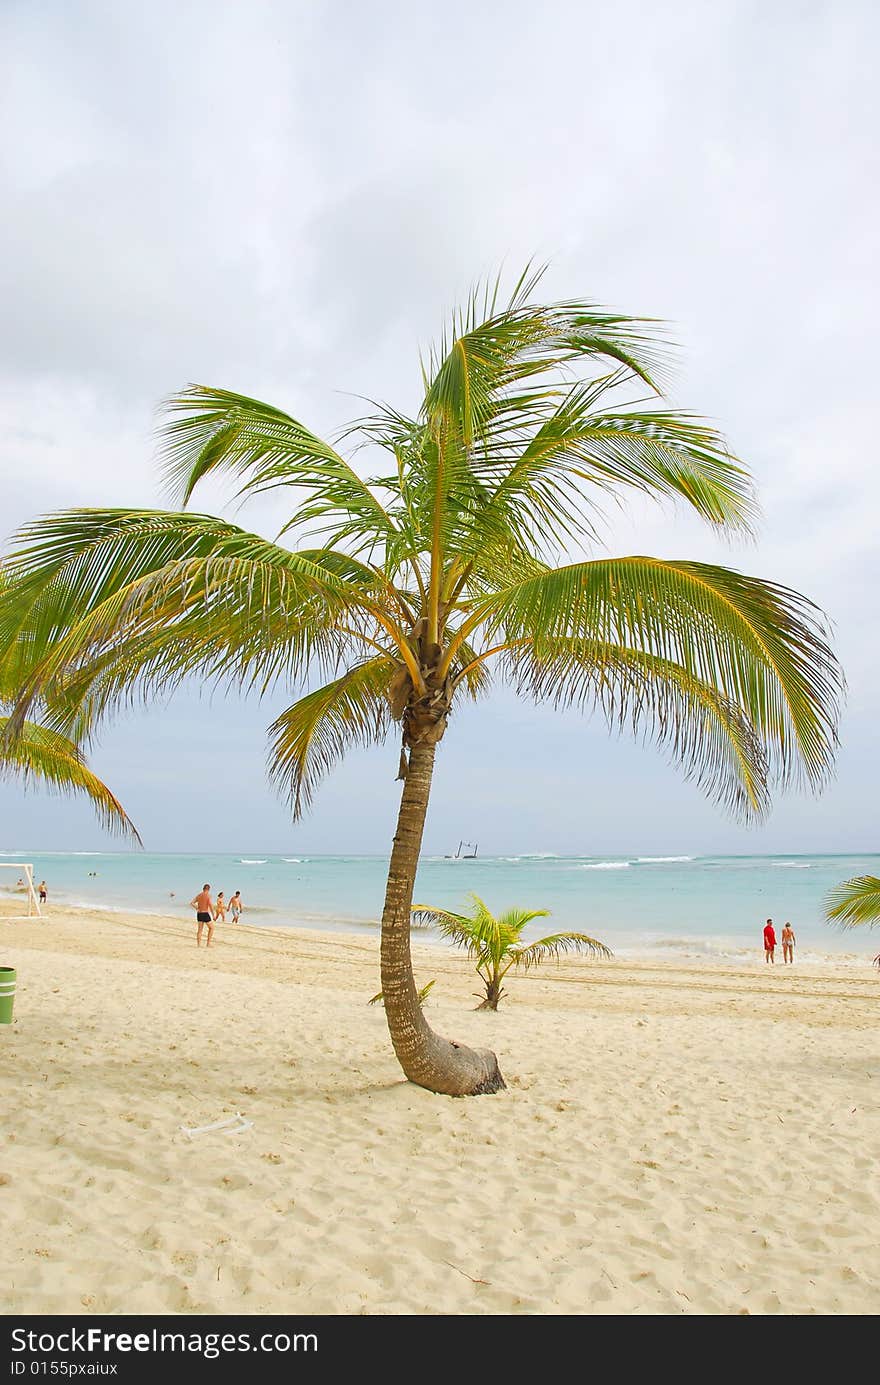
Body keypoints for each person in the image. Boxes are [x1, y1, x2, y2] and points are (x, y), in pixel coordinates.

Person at [190, 884, 215, 948]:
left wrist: (197, 908)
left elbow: (192, 903)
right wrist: (213, 915)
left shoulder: (199, 895)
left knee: (200, 930)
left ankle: (198, 945)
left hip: (199, 914)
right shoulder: (208, 896)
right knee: (211, 928)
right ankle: (208, 944)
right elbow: (210, 906)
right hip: (205, 913)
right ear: (208, 889)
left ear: (203, 888)